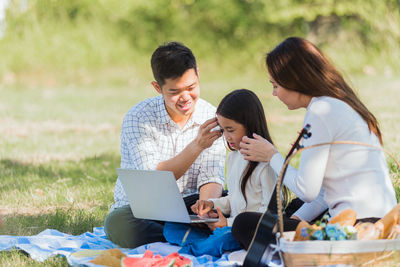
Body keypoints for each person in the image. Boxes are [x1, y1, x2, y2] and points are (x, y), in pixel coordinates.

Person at [232, 37, 397, 249]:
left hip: (359, 226)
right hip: (380, 217)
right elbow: (322, 194)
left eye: (275, 85)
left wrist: (271, 156)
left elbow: (306, 189)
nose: (274, 93)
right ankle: (303, 235)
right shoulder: (339, 103)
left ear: (294, 81)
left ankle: (307, 243)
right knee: (291, 210)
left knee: (243, 224)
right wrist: (296, 221)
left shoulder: (321, 110)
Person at [104, 42, 226, 248]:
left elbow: (211, 176)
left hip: (190, 204)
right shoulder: (139, 117)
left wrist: (207, 209)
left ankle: (191, 230)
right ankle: (185, 234)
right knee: (117, 223)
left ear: (197, 74)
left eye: (191, 87)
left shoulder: (211, 116)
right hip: (146, 209)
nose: (186, 97)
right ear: (157, 88)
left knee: (231, 198)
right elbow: (154, 180)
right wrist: (197, 146)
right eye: (175, 91)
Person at [191, 89, 278, 231]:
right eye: (223, 130)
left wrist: (228, 224)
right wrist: (211, 204)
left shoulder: (267, 163)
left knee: (207, 242)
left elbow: (270, 213)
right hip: (230, 226)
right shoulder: (234, 157)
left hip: (252, 231)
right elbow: (235, 199)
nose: (226, 136)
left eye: (230, 130)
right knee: (173, 229)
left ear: (249, 125)